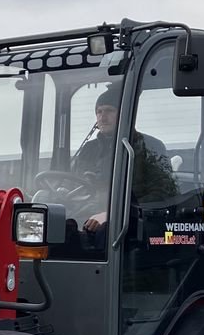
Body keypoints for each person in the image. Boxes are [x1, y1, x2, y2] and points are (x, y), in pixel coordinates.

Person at [72, 89, 175, 232]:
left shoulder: (148, 146)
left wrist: (115, 213)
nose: (103, 117)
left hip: (131, 221)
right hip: (87, 212)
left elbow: (162, 193)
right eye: (99, 112)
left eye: (109, 111)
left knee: (104, 231)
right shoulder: (88, 149)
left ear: (124, 113)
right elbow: (74, 182)